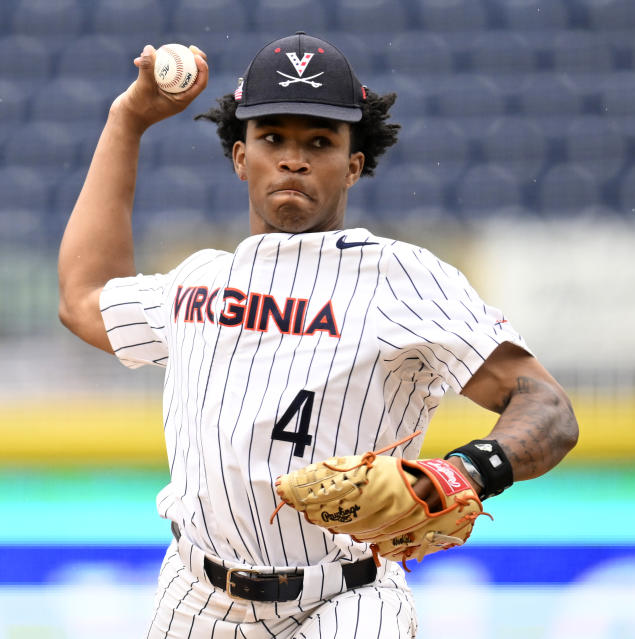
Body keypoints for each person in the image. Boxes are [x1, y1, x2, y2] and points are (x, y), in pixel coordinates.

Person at [58, 32, 578, 639]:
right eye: (272, 137)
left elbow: (548, 406)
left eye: (320, 142)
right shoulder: (198, 280)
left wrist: (464, 473)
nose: (293, 158)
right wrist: (128, 120)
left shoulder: (401, 277)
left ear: (353, 165)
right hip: (196, 598)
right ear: (238, 156)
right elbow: (83, 300)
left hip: (348, 596)